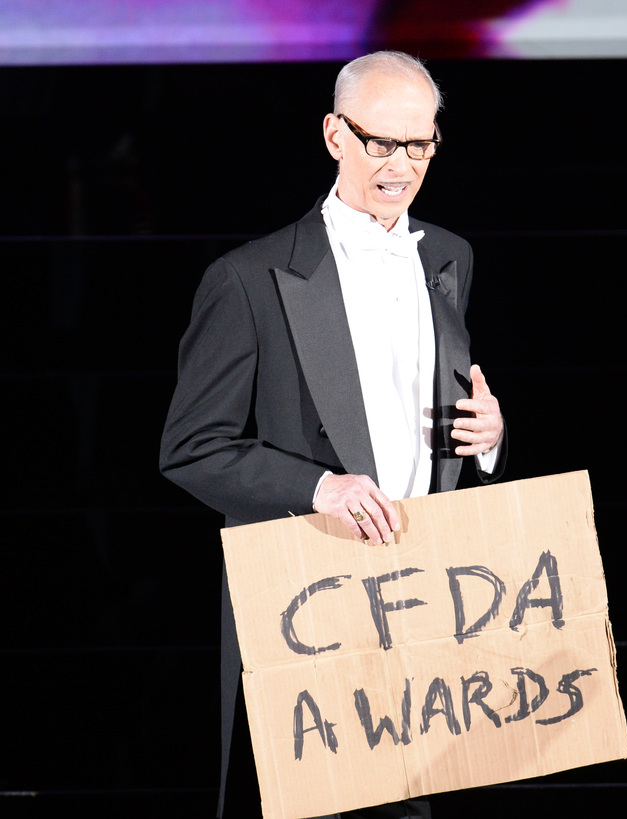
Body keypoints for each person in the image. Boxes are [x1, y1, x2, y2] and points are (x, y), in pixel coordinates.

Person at [160, 50, 506, 819]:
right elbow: (193, 446)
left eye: (419, 144)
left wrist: (486, 436)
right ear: (334, 135)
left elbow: (438, 419)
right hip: (311, 599)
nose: (400, 164)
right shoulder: (248, 279)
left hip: (425, 600)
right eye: (380, 141)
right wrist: (320, 488)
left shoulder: (449, 257)